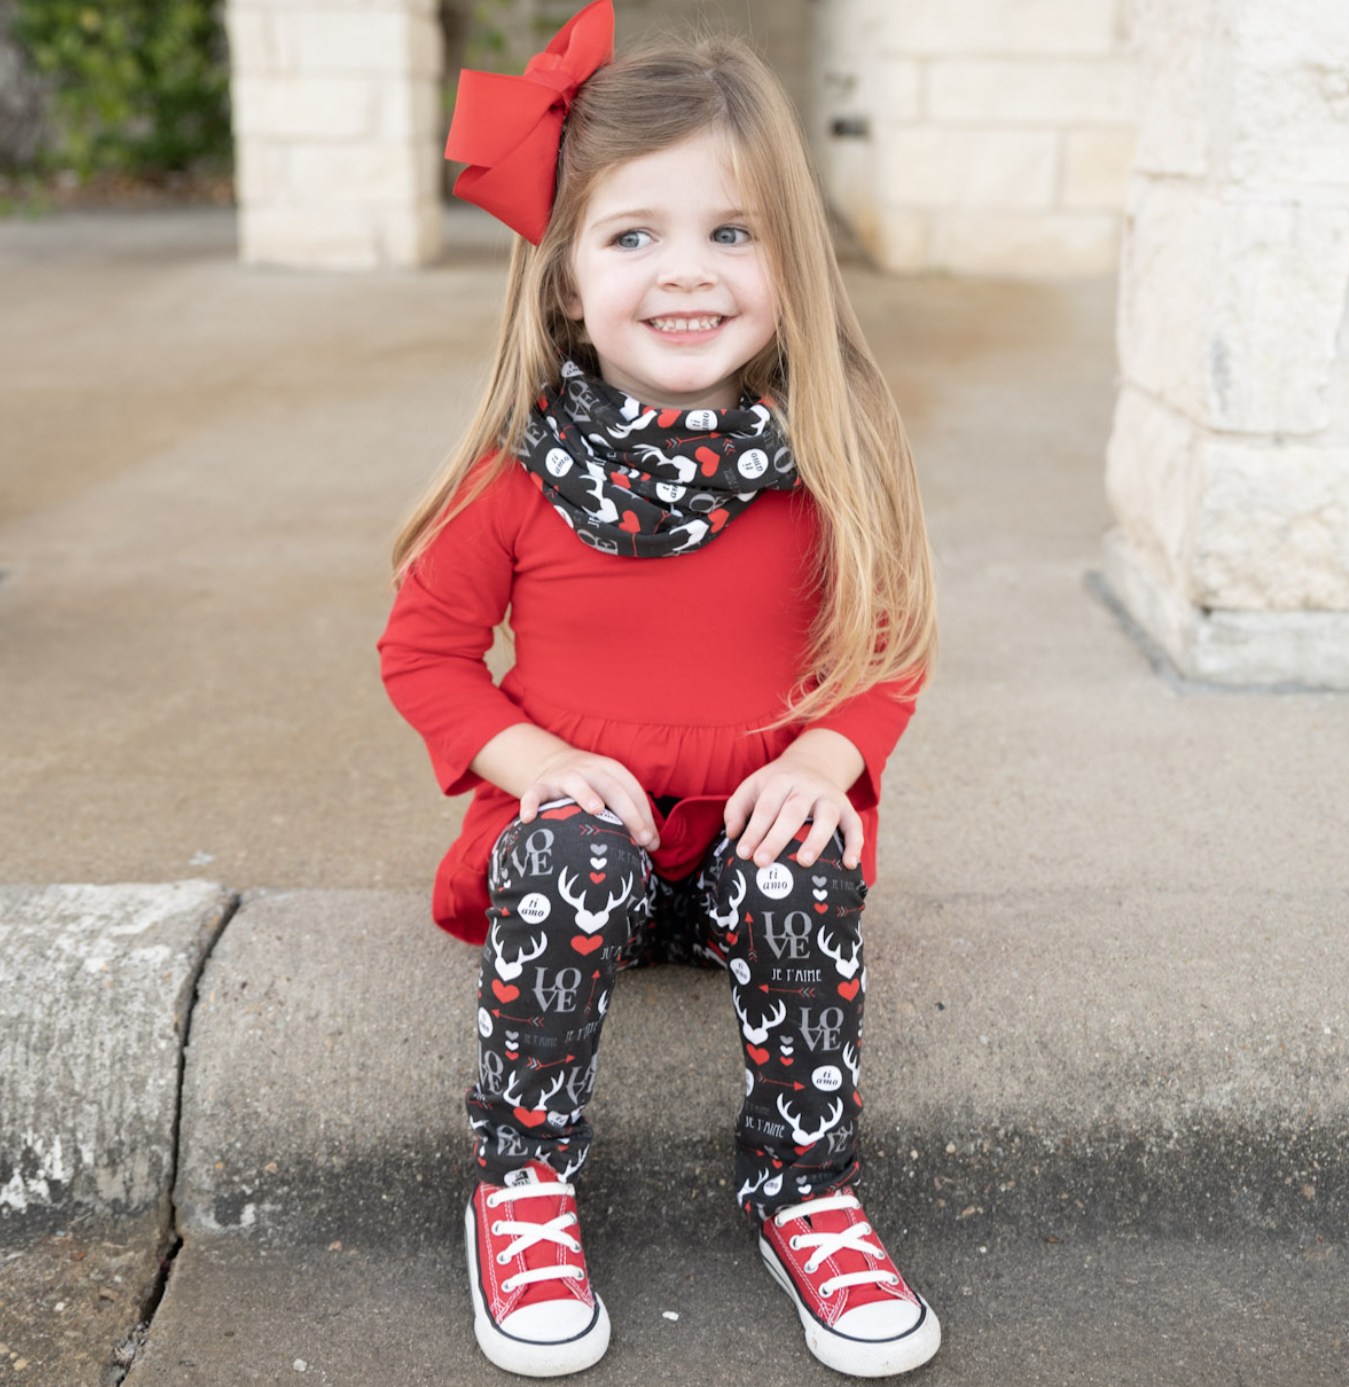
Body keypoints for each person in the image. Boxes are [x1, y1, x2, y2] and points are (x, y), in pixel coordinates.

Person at [378, 1, 940, 1376]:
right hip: (583, 865)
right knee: (568, 851)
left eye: (729, 233)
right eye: (634, 235)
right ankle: (519, 1181)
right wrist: (527, 765)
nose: (685, 273)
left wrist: (824, 762)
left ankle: (802, 1185)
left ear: (788, 262)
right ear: (567, 279)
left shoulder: (819, 460)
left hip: (746, 858)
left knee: (813, 861)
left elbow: (887, 640)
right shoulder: (519, 477)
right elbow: (424, 651)